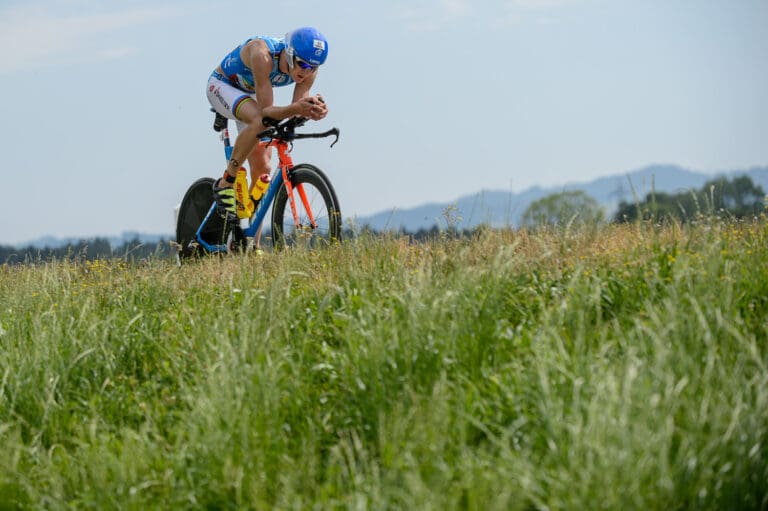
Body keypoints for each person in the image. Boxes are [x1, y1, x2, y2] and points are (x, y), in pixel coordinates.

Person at [206, 27, 330, 220]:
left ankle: (250, 242)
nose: (306, 72)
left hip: (252, 92)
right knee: (260, 121)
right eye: (302, 65)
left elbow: (297, 108)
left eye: (313, 68)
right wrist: (297, 108)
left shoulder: (309, 68)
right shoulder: (262, 55)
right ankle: (226, 182)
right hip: (224, 85)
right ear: (289, 54)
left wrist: (312, 110)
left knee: (263, 169)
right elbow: (266, 113)